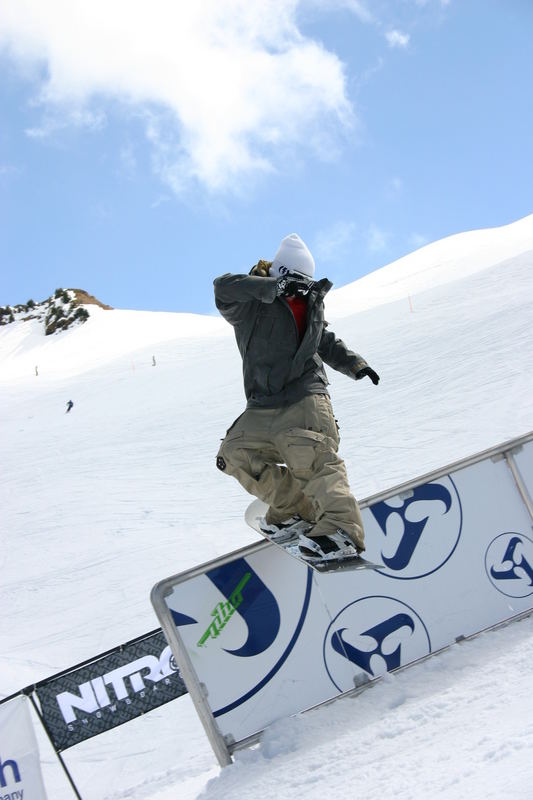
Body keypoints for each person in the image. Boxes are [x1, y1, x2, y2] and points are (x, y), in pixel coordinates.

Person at [214, 233, 379, 564]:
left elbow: (325, 340)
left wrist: (355, 364)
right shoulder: (248, 304)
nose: (300, 289)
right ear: (279, 273)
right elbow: (222, 287)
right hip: (262, 406)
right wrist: (269, 290)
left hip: (305, 398)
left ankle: (341, 528)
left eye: (306, 283)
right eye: (294, 281)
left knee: (308, 452)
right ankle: (293, 507)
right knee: (233, 454)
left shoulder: (309, 305)